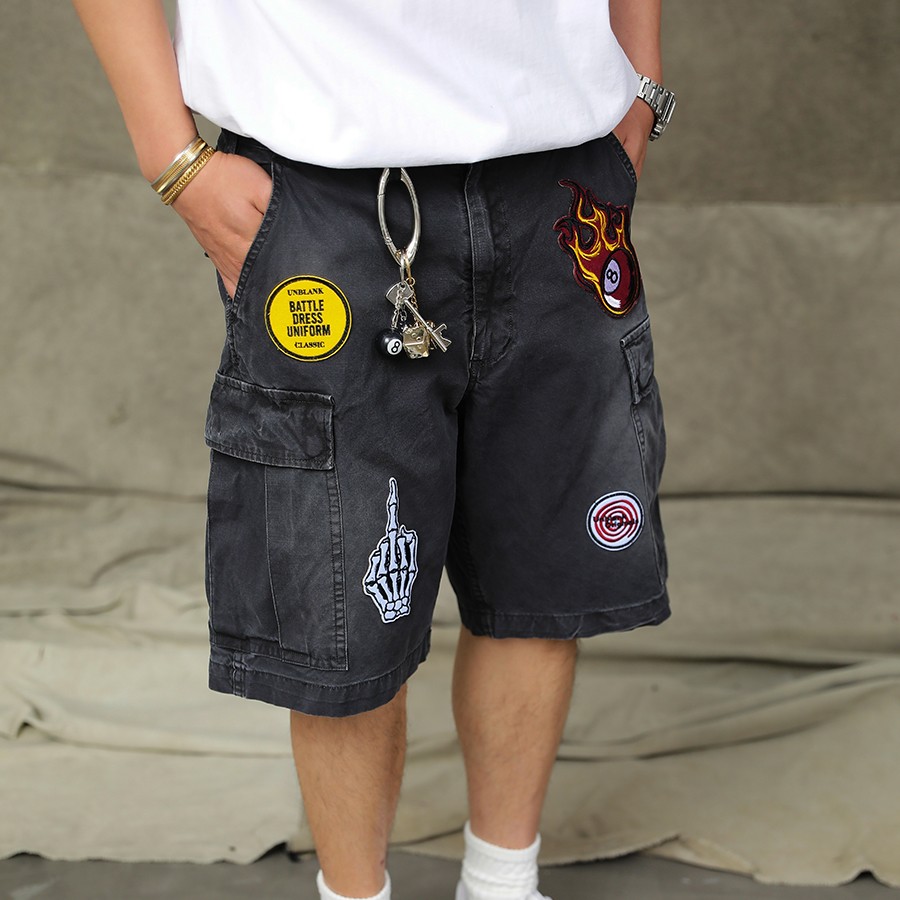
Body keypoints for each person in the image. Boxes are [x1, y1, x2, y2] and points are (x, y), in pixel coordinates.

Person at [71, 2, 676, 898]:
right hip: (330, 193)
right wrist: (172, 154)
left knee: (542, 585)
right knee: (341, 611)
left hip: (559, 181)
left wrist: (641, 83)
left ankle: (503, 884)